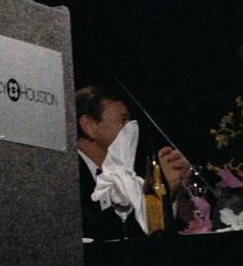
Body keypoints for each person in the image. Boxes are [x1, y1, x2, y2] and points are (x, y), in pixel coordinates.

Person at [76, 84, 192, 239]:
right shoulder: (64, 175)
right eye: (123, 121)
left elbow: (170, 232)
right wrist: (157, 190)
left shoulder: (135, 172)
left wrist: (177, 191)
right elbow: (95, 230)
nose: (132, 129)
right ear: (88, 125)